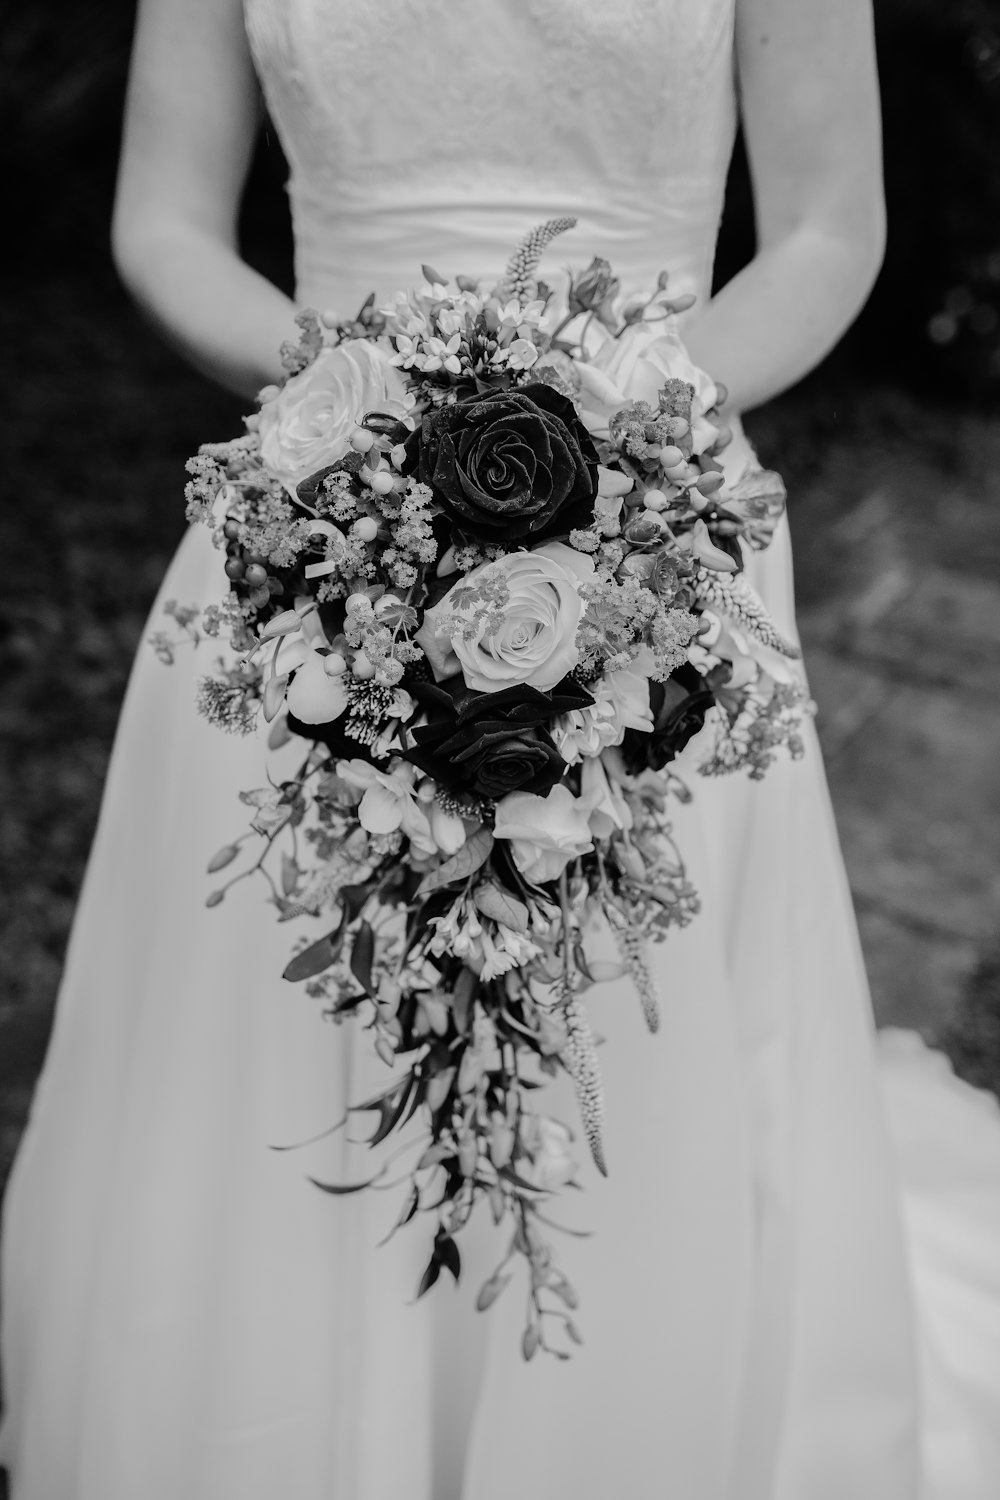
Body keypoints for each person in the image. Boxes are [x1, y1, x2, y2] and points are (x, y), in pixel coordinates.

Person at [2, 1, 999, 1496]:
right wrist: (375, 415)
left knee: (625, 1031)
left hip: (656, 520)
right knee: (289, 1039)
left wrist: (600, 427)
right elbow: (162, 222)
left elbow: (826, 231)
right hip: (318, 513)